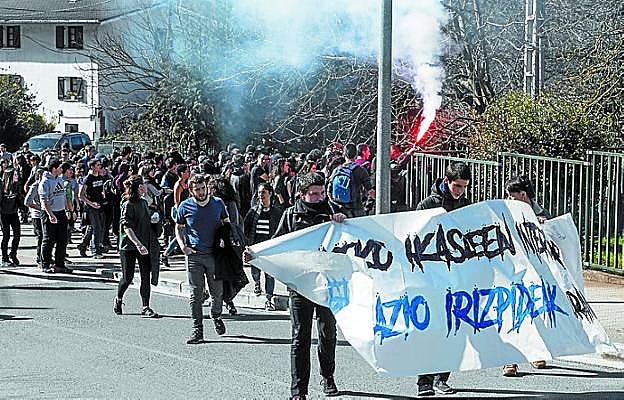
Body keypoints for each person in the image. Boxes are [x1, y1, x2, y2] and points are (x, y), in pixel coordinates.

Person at [245, 172, 346, 400]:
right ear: (302, 195)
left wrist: (342, 221)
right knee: (300, 337)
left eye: (322, 193)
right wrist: (255, 255)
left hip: (327, 285)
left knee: (328, 333)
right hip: (300, 286)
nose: (320, 197)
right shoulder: (290, 216)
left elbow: (348, 242)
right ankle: (298, 390)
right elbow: (276, 245)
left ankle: (327, 376)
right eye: (314, 194)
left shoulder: (332, 212)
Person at [414, 161, 472, 396]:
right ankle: (424, 381)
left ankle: (442, 377)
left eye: (464, 187)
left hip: (456, 275)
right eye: (457, 186)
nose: (460, 191)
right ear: (446, 181)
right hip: (432, 275)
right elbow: (414, 235)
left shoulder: (466, 205)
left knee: (454, 327)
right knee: (433, 328)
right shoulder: (428, 205)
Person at [501, 174, 549, 377]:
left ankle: (535, 352)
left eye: (512, 195)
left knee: (535, 312)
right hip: (511, 270)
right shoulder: (505, 211)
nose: (509, 199)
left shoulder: (541, 213)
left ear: (523, 194)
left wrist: (542, 226)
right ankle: (509, 360)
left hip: (534, 272)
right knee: (511, 312)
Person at [174, 174, 230, 344]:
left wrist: (224, 239)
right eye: (197, 189)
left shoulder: (218, 203)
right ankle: (197, 330)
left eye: (203, 188)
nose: (201, 192)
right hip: (194, 256)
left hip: (214, 255)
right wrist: (183, 246)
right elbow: (179, 228)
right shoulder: (185, 206)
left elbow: (227, 223)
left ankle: (216, 315)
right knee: (195, 295)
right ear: (191, 191)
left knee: (217, 294)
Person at [113, 175, 159, 318]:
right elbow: (127, 227)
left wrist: (154, 219)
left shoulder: (143, 202)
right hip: (129, 246)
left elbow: (145, 219)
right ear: (139, 187)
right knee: (128, 277)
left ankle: (146, 306)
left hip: (144, 244)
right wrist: (137, 244)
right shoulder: (127, 204)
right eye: (144, 184)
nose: (146, 186)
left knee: (146, 276)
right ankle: (119, 298)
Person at [243, 182, 283, 310]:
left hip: (270, 248)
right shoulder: (253, 211)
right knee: (255, 271)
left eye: (263, 192)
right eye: (259, 192)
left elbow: (281, 229)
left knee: (269, 274)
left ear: (270, 194)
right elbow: (246, 228)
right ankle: (257, 283)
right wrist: (246, 244)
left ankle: (268, 299)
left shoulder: (276, 212)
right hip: (255, 246)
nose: (261, 195)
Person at [38, 158, 72, 274]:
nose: (61, 170)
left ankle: (59, 265)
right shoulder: (45, 182)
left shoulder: (60, 180)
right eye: (60, 168)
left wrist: (68, 210)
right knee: (49, 240)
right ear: (54, 169)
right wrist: (50, 215)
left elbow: (63, 196)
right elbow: (44, 201)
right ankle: (45, 264)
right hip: (49, 213)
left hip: (61, 212)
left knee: (62, 240)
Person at [327, 143, 375, 218]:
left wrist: (337, 205)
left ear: (344, 154)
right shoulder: (361, 170)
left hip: (340, 211)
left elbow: (329, 190)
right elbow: (370, 191)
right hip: (356, 210)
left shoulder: (336, 170)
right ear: (356, 155)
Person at [78, 159, 106, 259]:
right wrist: (91, 203)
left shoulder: (100, 177)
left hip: (100, 206)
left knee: (92, 228)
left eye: (100, 165)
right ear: (92, 167)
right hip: (90, 208)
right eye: (97, 165)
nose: (99, 166)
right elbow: (81, 195)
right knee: (97, 228)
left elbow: (101, 190)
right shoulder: (88, 179)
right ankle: (95, 251)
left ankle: (83, 245)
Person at [0, 168, 22, 266]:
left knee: (17, 235)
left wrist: (22, 208)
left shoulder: (17, 185)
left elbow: (19, 199)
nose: (17, 176)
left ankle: (13, 254)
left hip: (13, 213)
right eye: (15, 175)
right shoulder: (1, 186)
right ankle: (4, 258)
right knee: (6, 236)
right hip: (3, 214)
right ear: (10, 176)